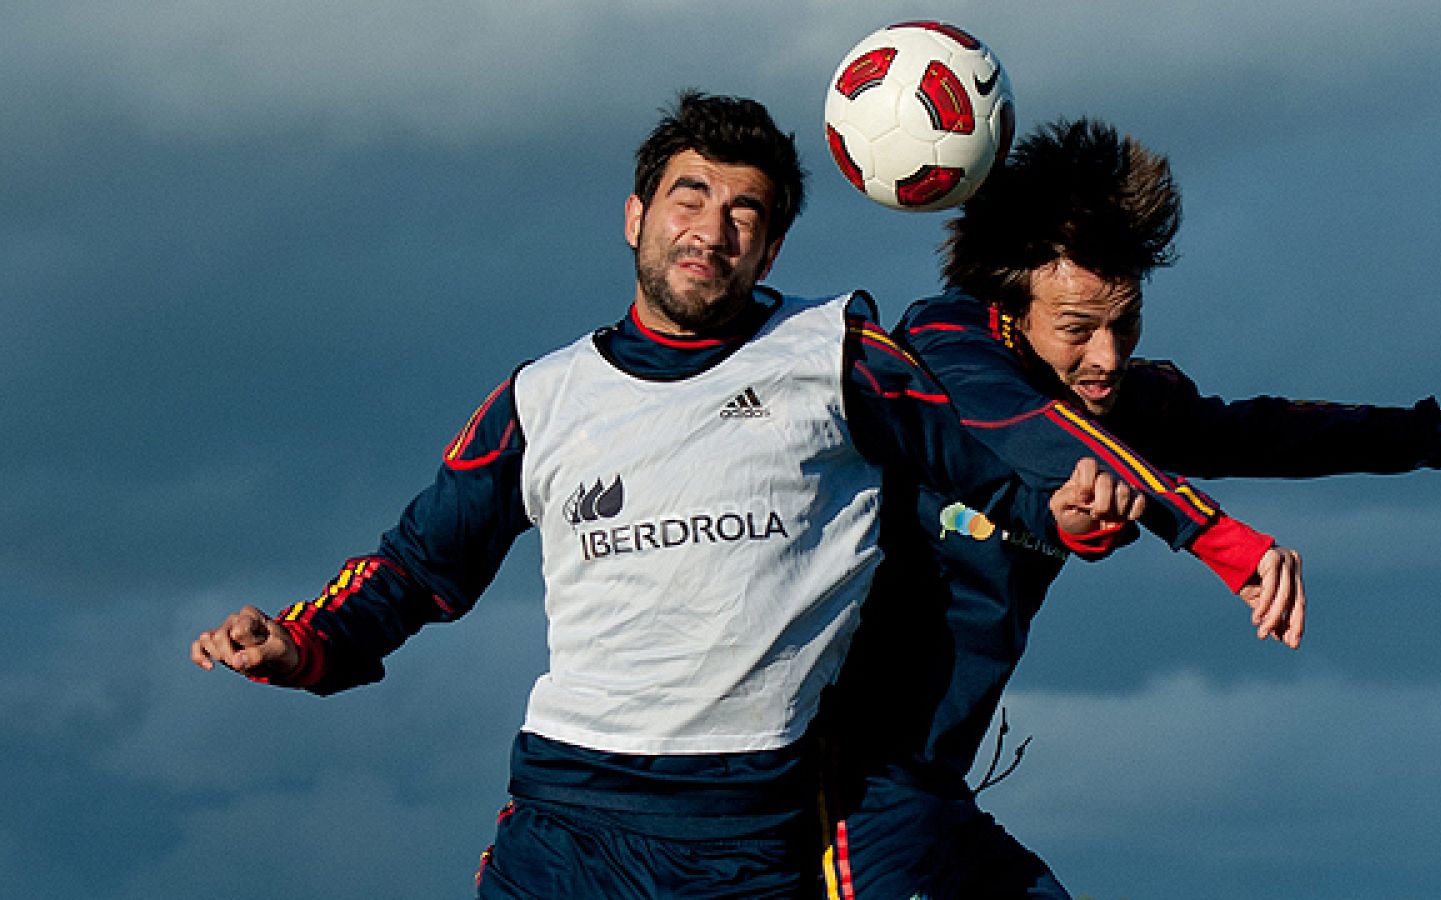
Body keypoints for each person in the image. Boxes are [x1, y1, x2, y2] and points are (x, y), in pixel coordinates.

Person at [188, 92, 1294, 899]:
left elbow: (985, 455)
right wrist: (300, 643)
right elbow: (421, 568)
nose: (711, 229)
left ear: (772, 242)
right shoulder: (540, 398)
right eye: (690, 197)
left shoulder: (836, 355)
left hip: (750, 834)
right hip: (565, 822)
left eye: (746, 212)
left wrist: (1068, 514)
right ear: (635, 217)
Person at [820, 117, 1441, 899]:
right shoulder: (945, 345)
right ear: (1015, 309)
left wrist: (1437, 430)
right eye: (1078, 329)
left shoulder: (1108, 399)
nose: (1107, 356)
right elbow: (1039, 437)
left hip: (930, 788)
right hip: (846, 785)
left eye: (1123, 323)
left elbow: (1258, 431)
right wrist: (1222, 541)